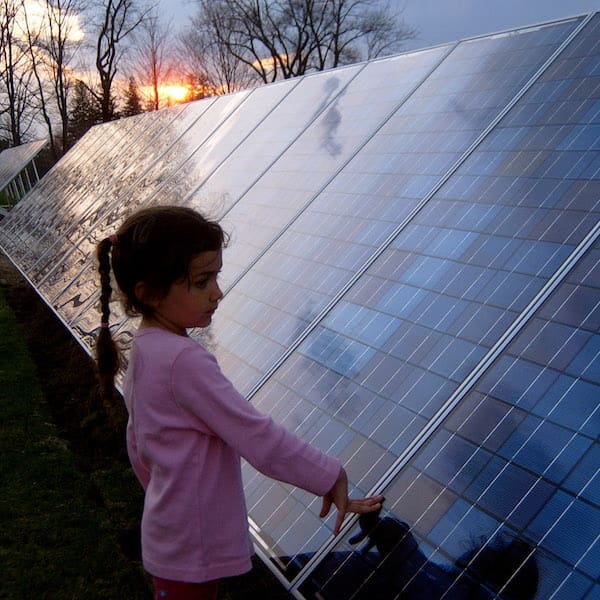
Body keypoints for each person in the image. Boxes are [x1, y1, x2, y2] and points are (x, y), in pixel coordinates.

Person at [95, 205, 383, 600]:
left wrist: (166, 499)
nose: (218, 292)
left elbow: (139, 444)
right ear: (149, 293)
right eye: (201, 281)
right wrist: (328, 474)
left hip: (171, 538)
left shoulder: (146, 350)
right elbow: (254, 435)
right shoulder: (184, 361)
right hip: (191, 548)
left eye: (216, 276)